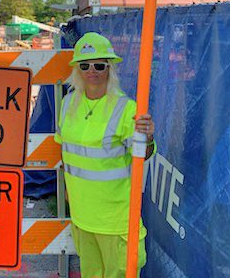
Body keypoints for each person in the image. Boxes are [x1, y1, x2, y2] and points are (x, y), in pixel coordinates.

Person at [54, 32, 156, 278]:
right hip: (82, 217)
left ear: (110, 68)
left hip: (116, 221)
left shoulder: (126, 108)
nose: (92, 71)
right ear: (77, 69)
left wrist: (149, 137)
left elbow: (144, 155)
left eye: (100, 65)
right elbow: (66, 152)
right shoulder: (68, 104)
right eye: (85, 65)